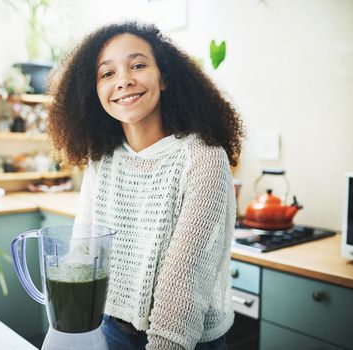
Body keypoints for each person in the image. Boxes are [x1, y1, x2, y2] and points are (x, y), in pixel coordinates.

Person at [46, 21, 244, 350]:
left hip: (184, 340)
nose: (123, 80)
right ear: (93, 91)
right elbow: (83, 251)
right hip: (110, 330)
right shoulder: (103, 160)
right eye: (107, 74)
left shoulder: (203, 158)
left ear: (164, 78)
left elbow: (182, 290)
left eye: (138, 65)